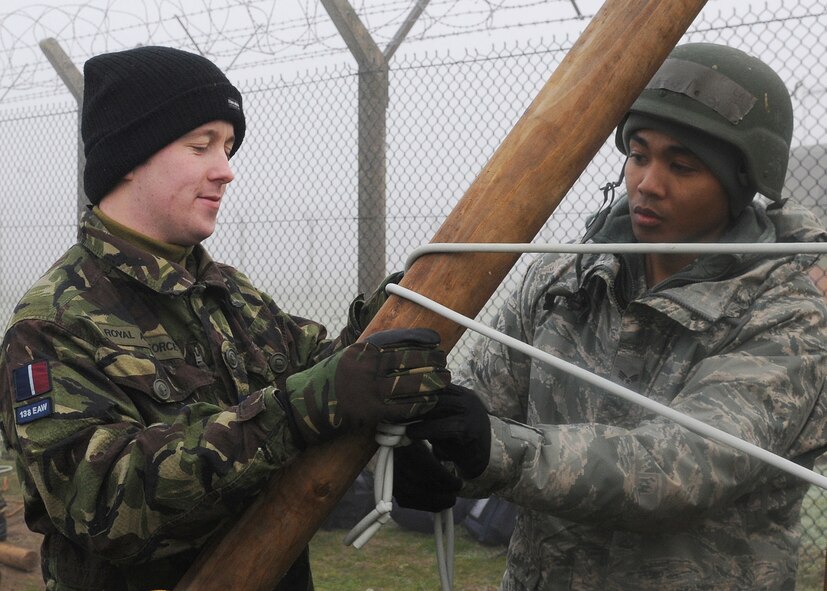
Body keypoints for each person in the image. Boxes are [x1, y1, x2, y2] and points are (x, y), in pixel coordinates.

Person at [0, 46, 451, 591]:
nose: (226, 171)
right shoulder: (51, 324)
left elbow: (325, 371)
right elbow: (99, 505)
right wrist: (295, 413)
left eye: (229, 148)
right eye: (201, 146)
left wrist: (397, 312)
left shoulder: (229, 294)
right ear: (128, 157)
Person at [394, 42, 827, 590]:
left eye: (682, 166)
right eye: (639, 155)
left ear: (740, 182)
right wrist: (435, 451)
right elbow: (482, 405)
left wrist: (493, 451)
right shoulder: (563, 280)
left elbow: (683, 471)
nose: (648, 183)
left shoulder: (787, 315)